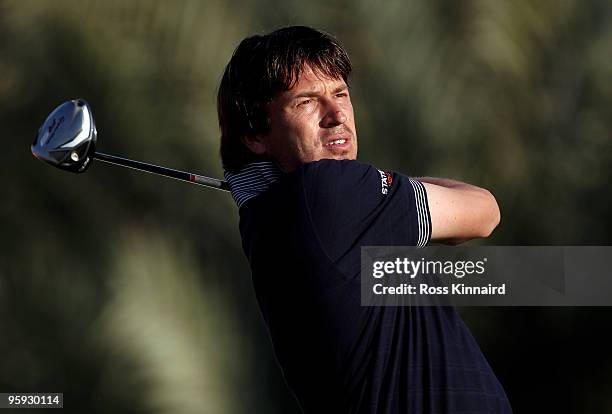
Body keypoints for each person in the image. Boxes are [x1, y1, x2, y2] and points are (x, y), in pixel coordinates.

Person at [218, 26, 511, 413]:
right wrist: (378, 188)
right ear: (255, 134)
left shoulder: (266, 215)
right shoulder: (327, 191)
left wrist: (376, 192)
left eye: (340, 94)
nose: (336, 115)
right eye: (306, 101)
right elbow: (484, 212)